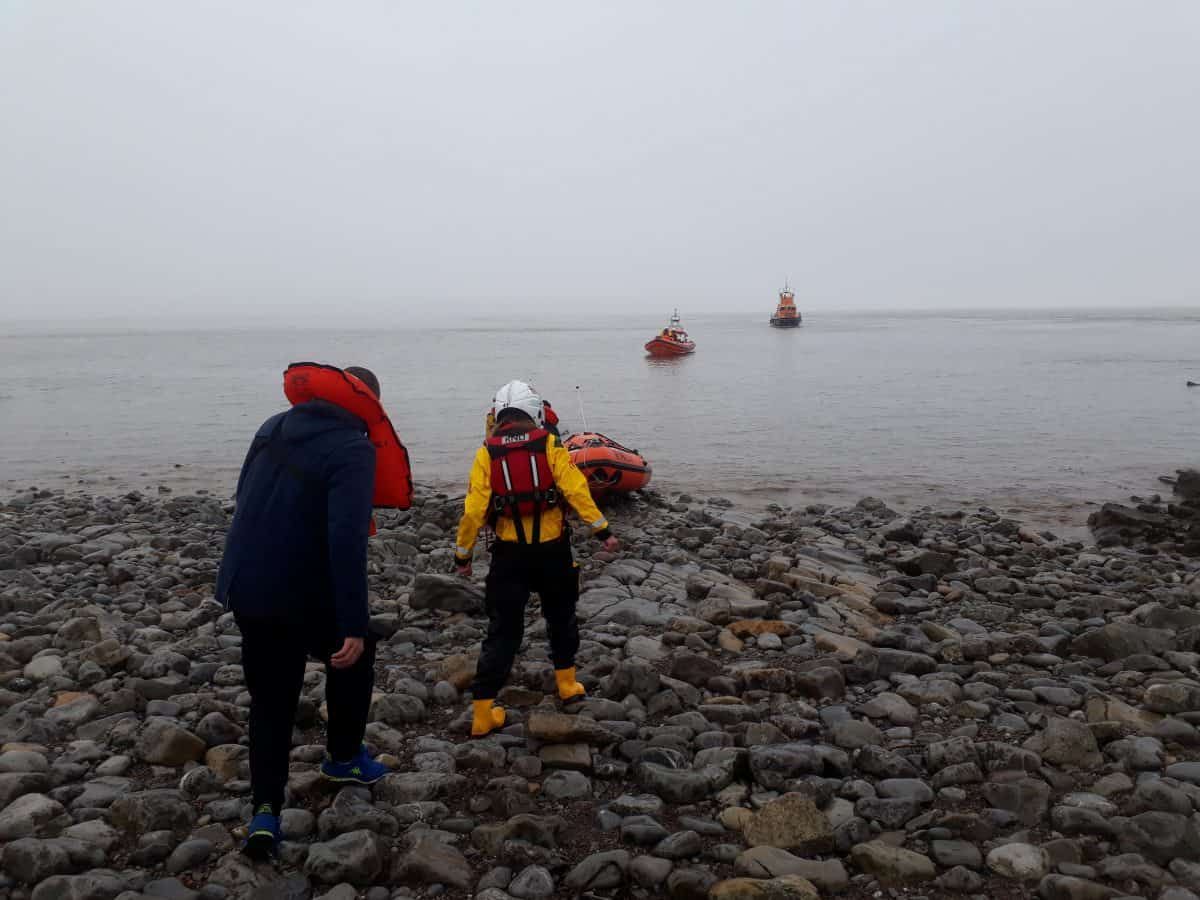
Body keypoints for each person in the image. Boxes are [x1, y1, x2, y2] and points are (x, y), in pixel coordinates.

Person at [215, 363, 403, 860]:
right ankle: (343, 758)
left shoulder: (272, 426)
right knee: (355, 653)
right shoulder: (353, 449)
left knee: (271, 701)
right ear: (367, 406)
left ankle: (264, 813)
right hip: (299, 590)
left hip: (247, 585)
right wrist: (351, 623)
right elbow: (346, 542)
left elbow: (244, 496)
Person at [454, 380, 618, 737]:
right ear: (536, 413)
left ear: (499, 415)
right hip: (552, 553)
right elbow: (576, 490)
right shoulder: (550, 445)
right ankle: (566, 685)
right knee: (561, 617)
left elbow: (474, 509)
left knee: (502, 632)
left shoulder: (487, 452)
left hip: (508, 556)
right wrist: (602, 531)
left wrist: (462, 554)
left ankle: (483, 712)